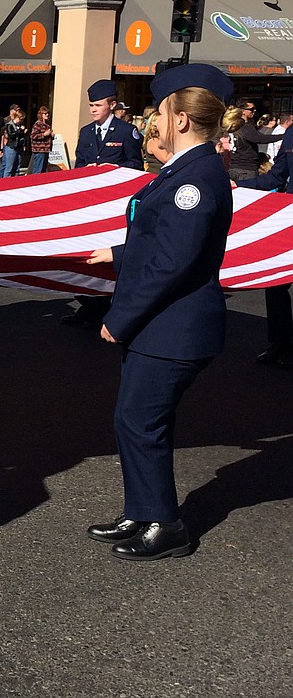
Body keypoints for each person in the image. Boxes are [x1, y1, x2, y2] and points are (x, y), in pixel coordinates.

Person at [84, 63, 234, 561]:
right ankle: (142, 510)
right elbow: (164, 243)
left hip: (175, 327)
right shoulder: (186, 170)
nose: (156, 118)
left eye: (163, 110)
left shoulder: (196, 178)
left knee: (140, 420)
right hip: (163, 326)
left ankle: (166, 524)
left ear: (182, 121)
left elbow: (173, 263)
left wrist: (118, 317)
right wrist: (118, 254)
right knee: (135, 420)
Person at [63, 79, 144, 326]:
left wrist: (111, 169)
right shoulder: (86, 132)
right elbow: (78, 165)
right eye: (90, 105)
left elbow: (136, 165)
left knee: (106, 255)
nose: (93, 110)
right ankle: (88, 304)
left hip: (114, 205)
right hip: (89, 204)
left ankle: (104, 306)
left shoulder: (125, 131)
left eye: (97, 105)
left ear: (112, 104)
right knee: (83, 253)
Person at [237, 113, 293, 369]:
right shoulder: (291, 133)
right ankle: (280, 343)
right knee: (277, 283)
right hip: (289, 219)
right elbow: (277, 176)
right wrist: (240, 185)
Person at [227, 99, 285, 181]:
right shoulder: (245, 127)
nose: (254, 110)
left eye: (255, 108)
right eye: (251, 109)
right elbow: (261, 139)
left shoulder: (233, 125)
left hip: (234, 167)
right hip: (246, 169)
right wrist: (284, 136)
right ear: (243, 111)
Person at [0, 104, 29, 178]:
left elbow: (24, 136)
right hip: (11, 147)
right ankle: (5, 183)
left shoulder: (21, 125)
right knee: (9, 167)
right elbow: (11, 135)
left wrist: (25, 134)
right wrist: (21, 131)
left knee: (17, 167)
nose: (21, 121)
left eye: (22, 119)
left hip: (19, 147)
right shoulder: (9, 125)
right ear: (16, 117)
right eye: (20, 119)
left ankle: (15, 182)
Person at [28, 106, 54, 174]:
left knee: (43, 170)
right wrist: (44, 134)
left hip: (46, 150)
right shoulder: (37, 124)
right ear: (41, 115)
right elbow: (33, 136)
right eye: (45, 113)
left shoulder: (47, 125)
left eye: (48, 113)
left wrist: (51, 136)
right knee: (38, 170)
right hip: (39, 150)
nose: (47, 115)